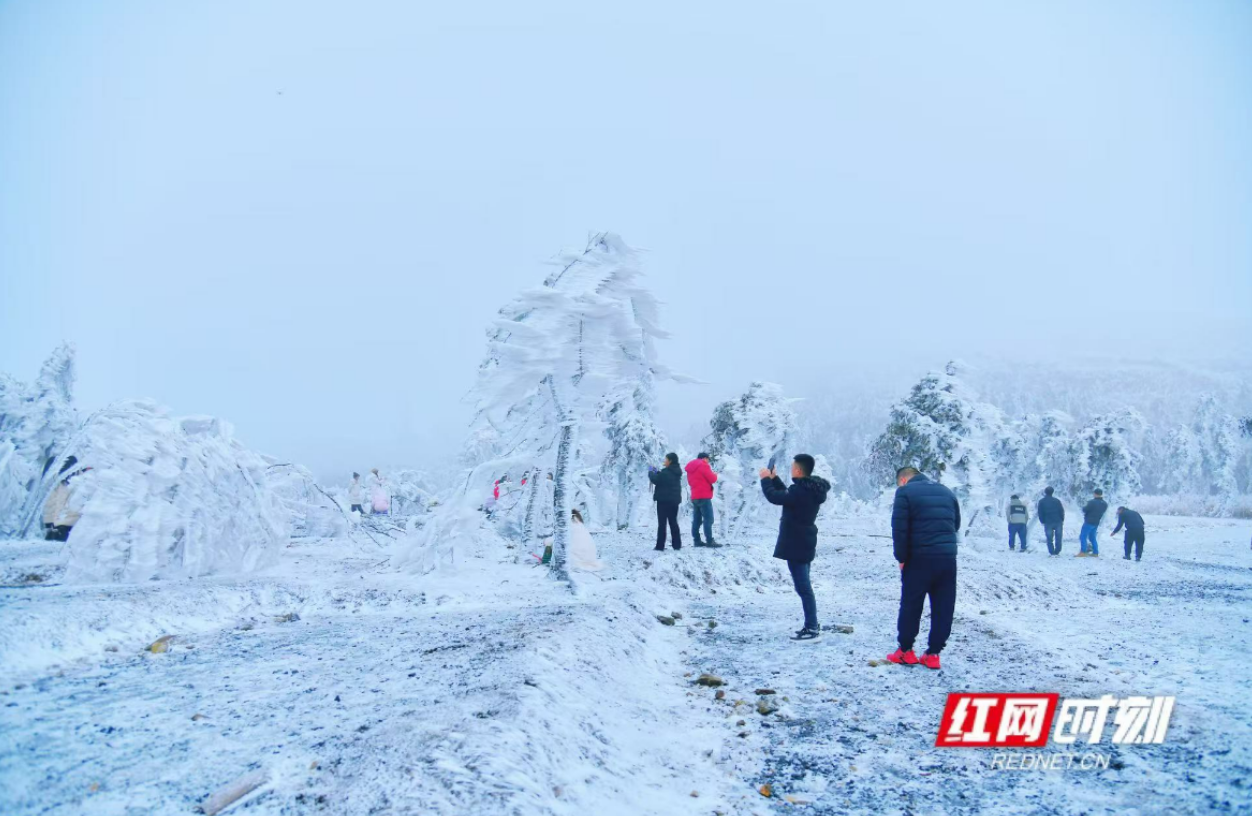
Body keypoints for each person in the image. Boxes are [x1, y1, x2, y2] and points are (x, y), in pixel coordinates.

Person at [886, 466, 960, 670]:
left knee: (911, 604)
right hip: (947, 558)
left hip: (919, 558)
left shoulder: (904, 492)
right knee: (944, 606)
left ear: (903, 480)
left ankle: (906, 651)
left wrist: (901, 558)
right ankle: (933, 654)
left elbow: (899, 529)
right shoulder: (946, 490)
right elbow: (956, 524)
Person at [760, 454, 831, 642]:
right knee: (804, 586)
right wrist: (775, 479)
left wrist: (765, 480)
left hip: (796, 544)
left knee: (804, 588)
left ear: (799, 470)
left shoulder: (800, 491)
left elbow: (775, 497)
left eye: (793, 467)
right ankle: (812, 624)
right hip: (804, 541)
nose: (791, 469)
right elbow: (787, 496)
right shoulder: (807, 490)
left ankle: (811, 627)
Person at [43, 457, 86, 542]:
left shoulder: (52, 486)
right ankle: (58, 531)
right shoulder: (70, 486)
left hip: (55, 524)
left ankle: (55, 531)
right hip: (63, 525)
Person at [647, 453, 683, 551]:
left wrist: (651, 472)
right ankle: (677, 545)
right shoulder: (675, 471)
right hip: (674, 501)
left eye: (666, 459)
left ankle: (660, 546)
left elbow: (656, 480)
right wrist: (657, 471)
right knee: (673, 522)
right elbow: (663, 477)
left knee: (662, 524)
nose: (664, 461)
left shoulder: (666, 472)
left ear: (670, 461)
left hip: (663, 502)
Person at [685, 452, 721, 548]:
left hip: (695, 496)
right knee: (708, 519)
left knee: (696, 520)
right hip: (704, 496)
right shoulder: (703, 465)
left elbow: (690, 482)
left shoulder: (690, 468)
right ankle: (709, 541)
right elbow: (712, 479)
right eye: (708, 459)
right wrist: (716, 475)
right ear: (705, 458)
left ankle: (697, 541)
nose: (708, 461)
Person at [1077, 489, 1108, 558]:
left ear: (1095, 494)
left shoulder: (1092, 502)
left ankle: (1083, 552)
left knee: (1083, 536)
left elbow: (1085, 510)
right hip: (1096, 522)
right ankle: (1095, 553)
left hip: (1089, 521)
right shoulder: (1105, 504)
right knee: (1092, 537)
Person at [1037, 486, 1065, 556]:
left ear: (1045, 492)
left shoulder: (1041, 501)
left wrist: (1042, 521)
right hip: (1058, 520)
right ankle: (1057, 550)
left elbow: (1040, 512)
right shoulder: (1057, 501)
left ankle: (1051, 551)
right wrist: (1062, 519)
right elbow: (1061, 511)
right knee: (1058, 537)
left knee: (1049, 537)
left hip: (1048, 521)